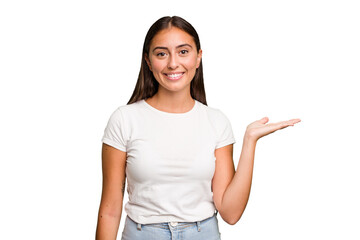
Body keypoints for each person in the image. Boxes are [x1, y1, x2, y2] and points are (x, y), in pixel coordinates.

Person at [95, 16, 300, 240]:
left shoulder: (216, 122)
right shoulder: (124, 119)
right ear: (148, 60)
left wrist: (250, 141)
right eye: (161, 53)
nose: (173, 63)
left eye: (183, 51)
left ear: (198, 57)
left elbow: (230, 213)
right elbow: (110, 210)